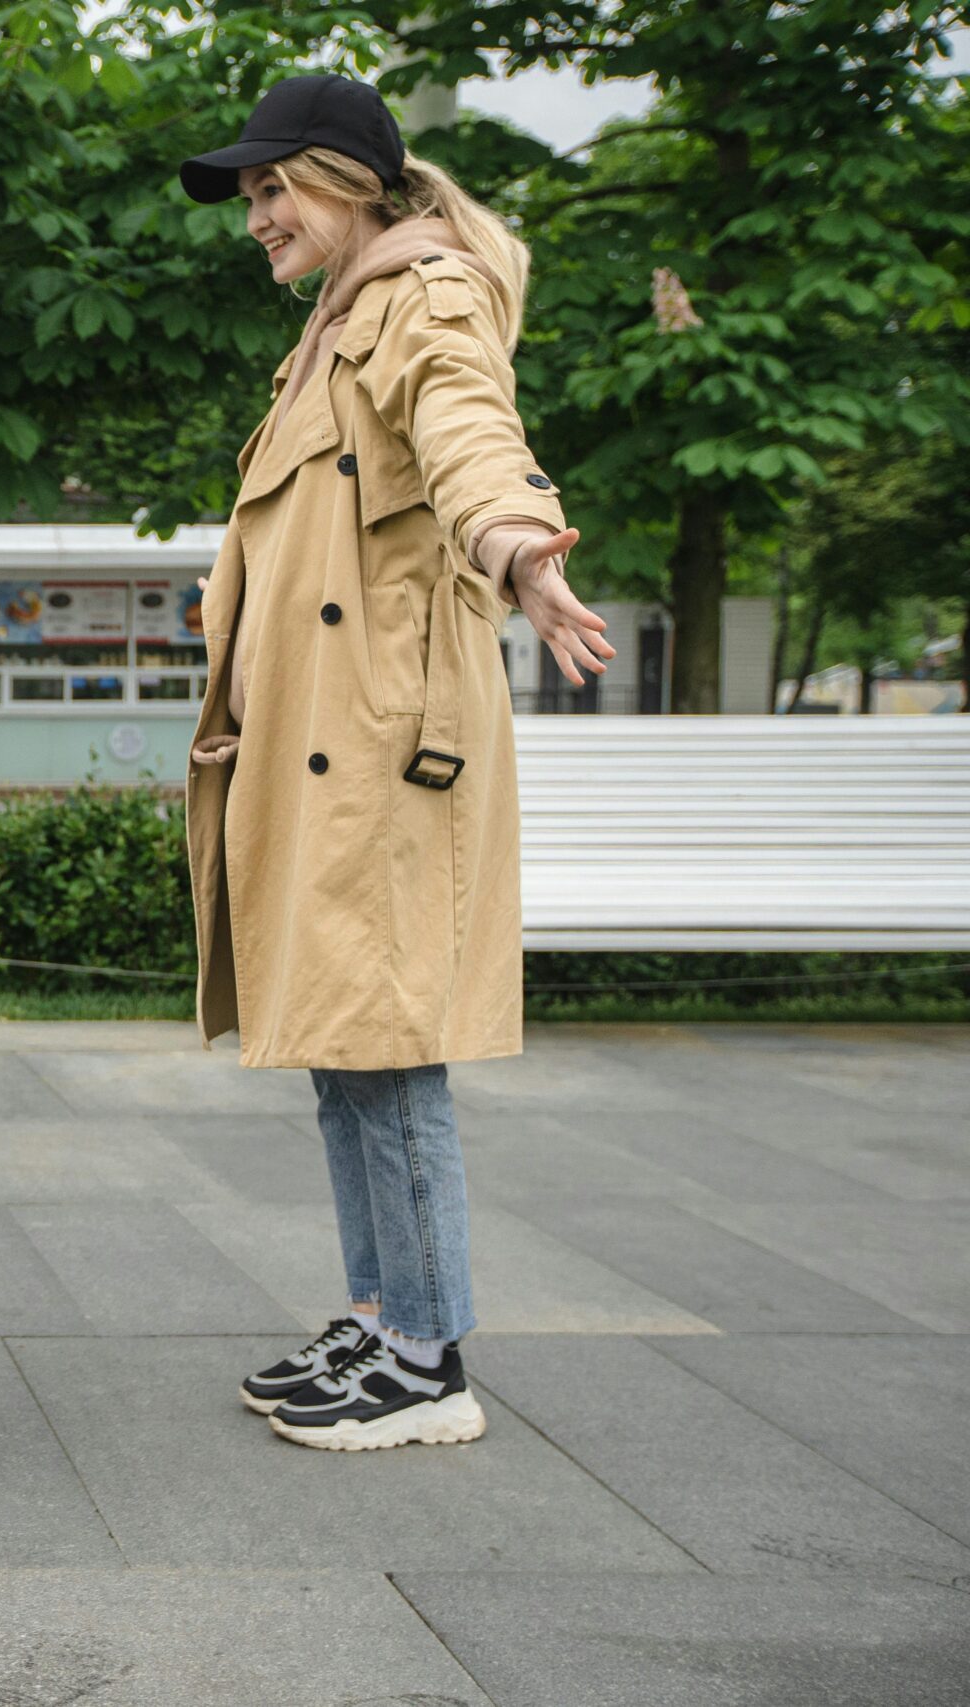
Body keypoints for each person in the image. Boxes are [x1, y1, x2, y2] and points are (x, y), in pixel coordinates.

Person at [174, 77, 615, 1450]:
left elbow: (472, 434)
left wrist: (523, 551)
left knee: (390, 1049)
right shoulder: (334, 322)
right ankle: (377, 1315)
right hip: (324, 749)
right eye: (248, 197)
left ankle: (428, 1358)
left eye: (272, 188)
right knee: (340, 1049)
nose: (256, 217)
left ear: (348, 178)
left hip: (382, 752)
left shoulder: (424, 301)